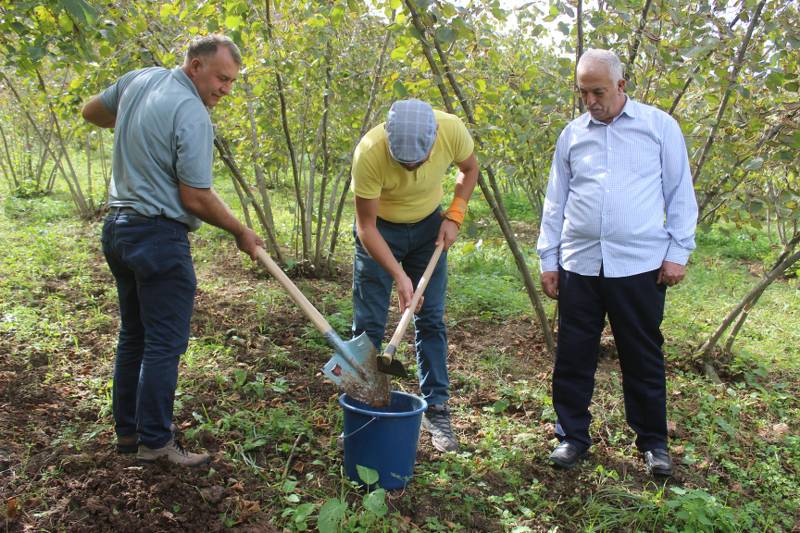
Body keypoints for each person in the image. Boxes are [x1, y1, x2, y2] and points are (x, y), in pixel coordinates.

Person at [81, 35, 263, 467]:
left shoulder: (138, 81)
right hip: (158, 238)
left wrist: (135, 128)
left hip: (119, 230)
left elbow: (91, 111)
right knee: (163, 344)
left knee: (134, 336)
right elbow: (195, 196)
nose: (225, 89)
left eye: (232, 81)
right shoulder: (191, 114)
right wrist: (240, 230)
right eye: (221, 78)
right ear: (195, 65)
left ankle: (128, 434)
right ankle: (156, 443)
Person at [536, 49, 698, 476]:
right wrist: (548, 259)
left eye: (598, 91)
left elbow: (680, 192)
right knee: (573, 355)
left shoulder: (659, 128)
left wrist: (677, 252)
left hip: (639, 265)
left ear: (622, 86)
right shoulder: (572, 135)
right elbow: (556, 201)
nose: (590, 100)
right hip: (580, 264)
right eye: (583, 92)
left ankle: (653, 443)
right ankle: (571, 436)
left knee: (642, 354)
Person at [351, 99, 479, 452]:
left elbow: (469, 170)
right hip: (380, 232)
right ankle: (363, 406)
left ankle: (437, 409)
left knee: (431, 319)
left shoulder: (451, 129)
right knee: (368, 325)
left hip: (427, 229)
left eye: (417, 162)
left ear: (434, 137)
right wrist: (399, 276)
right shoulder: (370, 151)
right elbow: (366, 227)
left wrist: (455, 215)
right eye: (402, 162)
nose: (409, 169)